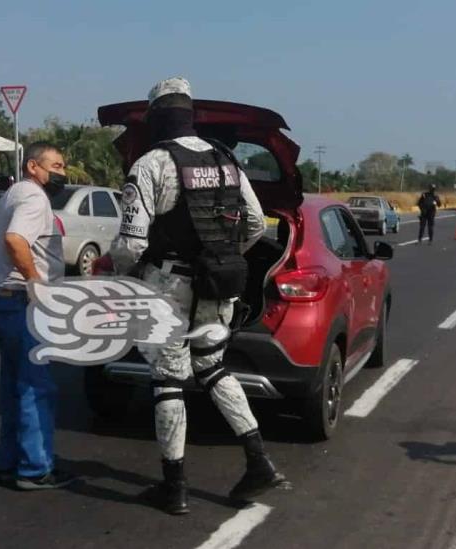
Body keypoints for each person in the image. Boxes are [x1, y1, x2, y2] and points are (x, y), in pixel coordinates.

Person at [106, 77, 286, 514]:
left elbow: (130, 244)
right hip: (217, 285)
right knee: (212, 367)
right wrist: (223, 256)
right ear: (190, 116)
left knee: (168, 380)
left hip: (169, 286)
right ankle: (259, 461)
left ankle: (175, 486)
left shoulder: (151, 164)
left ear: (156, 119)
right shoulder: (226, 161)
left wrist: (125, 274)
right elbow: (257, 224)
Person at [0, 142, 75, 490]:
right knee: (36, 386)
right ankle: (35, 468)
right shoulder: (33, 197)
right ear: (34, 166)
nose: (62, 172)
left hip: (1, 300)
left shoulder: (12, 193)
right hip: (23, 304)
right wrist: (32, 281)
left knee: (14, 384)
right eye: (57, 165)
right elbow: (16, 239)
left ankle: (11, 462)